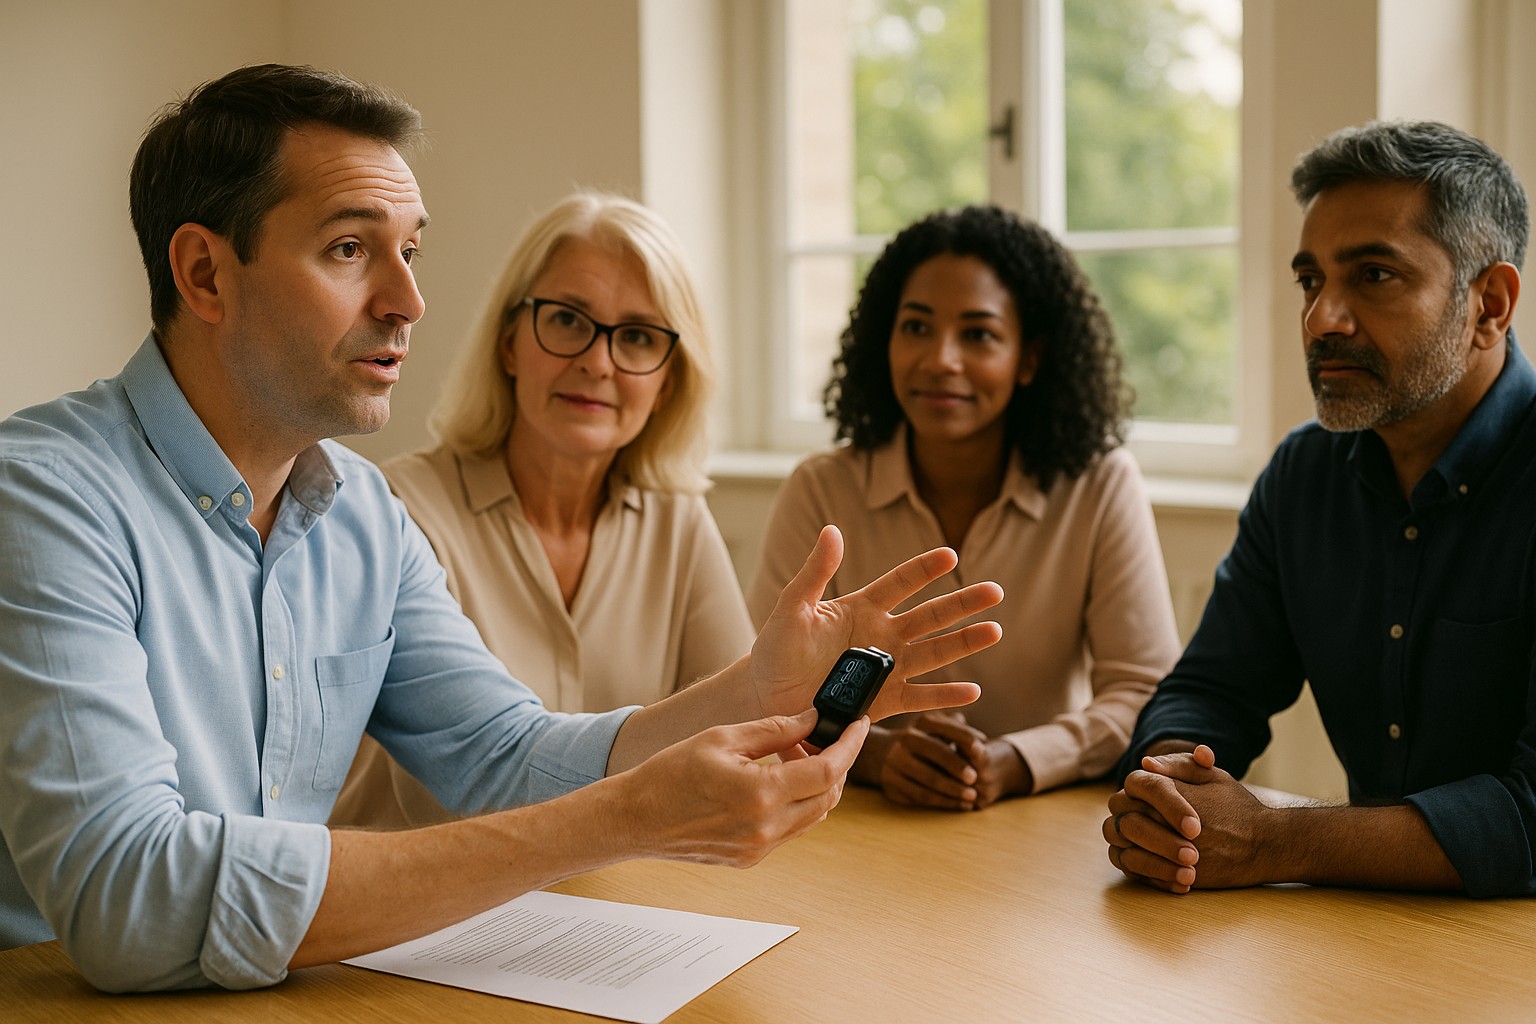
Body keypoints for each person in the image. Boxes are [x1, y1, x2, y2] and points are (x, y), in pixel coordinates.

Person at [0, 64, 1005, 992]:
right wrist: (621, 817)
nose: (408, 301)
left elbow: (505, 754)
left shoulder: (358, 512)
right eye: (351, 249)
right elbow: (125, 901)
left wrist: (752, 693)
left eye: (410, 252)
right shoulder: (44, 498)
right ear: (206, 275)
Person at [1103, 119, 1533, 898]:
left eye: (1373, 276)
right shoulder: (1305, 473)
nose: (1321, 320)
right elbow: (1212, 690)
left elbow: (1531, 817)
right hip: (1370, 939)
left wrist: (1273, 842)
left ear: (1490, 305)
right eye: (1311, 280)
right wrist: (1172, 789)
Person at [331, 192, 754, 829]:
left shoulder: (679, 521)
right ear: (509, 345)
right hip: (427, 902)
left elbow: (742, 737)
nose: (596, 360)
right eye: (565, 320)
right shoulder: (400, 508)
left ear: (668, 380)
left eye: (637, 337)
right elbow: (446, 790)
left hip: (610, 888)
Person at [749, 206, 1180, 810]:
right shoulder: (820, 489)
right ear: (886, 340)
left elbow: (1142, 692)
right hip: (853, 818)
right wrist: (875, 756)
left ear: (1029, 359)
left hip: (1038, 826)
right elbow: (763, 689)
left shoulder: (1101, 485)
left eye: (978, 334)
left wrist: (1018, 762)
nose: (941, 359)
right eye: (917, 327)